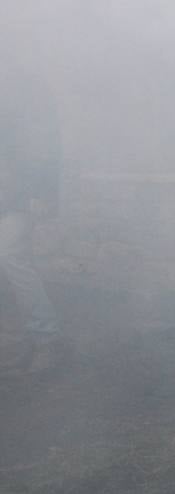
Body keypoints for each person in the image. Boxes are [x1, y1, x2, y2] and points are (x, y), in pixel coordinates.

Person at [0, 61, 63, 374]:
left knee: (10, 256)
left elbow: (43, 148)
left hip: (16, 196)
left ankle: (45, 339)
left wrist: (43, 193)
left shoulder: (24, 94)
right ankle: (14, 341)